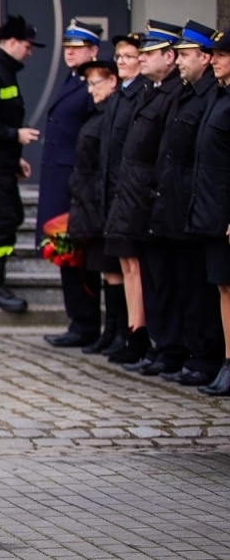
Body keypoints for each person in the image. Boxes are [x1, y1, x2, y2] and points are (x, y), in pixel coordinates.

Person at [105, 21, 185, 373]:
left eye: (149, 53)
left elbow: (162, 152)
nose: (142, 58)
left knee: (163, 278)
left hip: (153, 194)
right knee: (147, 274)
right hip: (135, 191)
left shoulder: (170, 93)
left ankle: (165, 345)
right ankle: (154, 341)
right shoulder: (151, 91)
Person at [149, 21, 225, 384]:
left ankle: (207, 356)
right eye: (176, 55)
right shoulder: (188, 93)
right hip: (183, 202)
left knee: (201, 290)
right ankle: (195, 354)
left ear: (206, 59)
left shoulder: (211, 96)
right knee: (187, 286)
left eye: (185, 55)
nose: (179, 61)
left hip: (201, 202)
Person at [41, 22, 103, 347]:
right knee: (66, 253)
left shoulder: (92, 85)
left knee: (78, 256)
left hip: (74, 183)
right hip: (60, 180)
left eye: (77, 48)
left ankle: (86, 322)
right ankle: (77, 320)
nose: (70, 53)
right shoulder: (73, 79)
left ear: (94, 51)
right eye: (67, 48)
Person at [0, 14, 41, 314]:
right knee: (0, 222)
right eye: (28, 46)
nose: (30, 53)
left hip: (3, 165)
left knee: (11, 217)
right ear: (13, 42)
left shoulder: (6, 71)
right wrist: (16, 135)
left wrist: (16, 158)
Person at [64, 57, 119, 348]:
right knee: (103, 268)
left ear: (113, 81)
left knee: (112, 270)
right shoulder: (98, 113)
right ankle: (110, 332)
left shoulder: (110, 114)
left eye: (95, 83)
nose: (90, 89)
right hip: (88, 201)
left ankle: (115, 331)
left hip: (100, 203)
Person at [99, 32, 146, 361]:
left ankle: (136, 333)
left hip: (130, 192)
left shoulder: (140, 95)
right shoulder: (118, 96)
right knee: (117, 266)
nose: (123, 62)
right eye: (119, 57)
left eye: (128, 56)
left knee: (133, 266)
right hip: (112, 191)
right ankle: (120, 330)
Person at [190, 27, 230, 396]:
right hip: (212, 208)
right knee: (221, 288)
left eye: (221, 54)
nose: (213, 59)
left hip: (224, 212)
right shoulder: (219, 97)